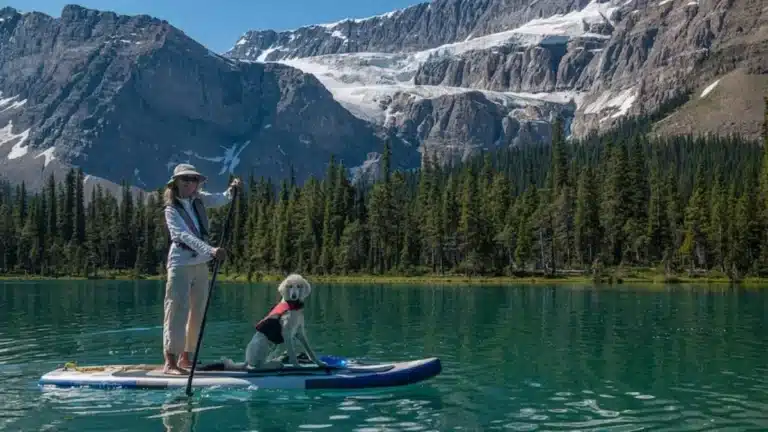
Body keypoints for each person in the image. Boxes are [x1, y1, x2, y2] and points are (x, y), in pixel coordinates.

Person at [162, 163, 241, 375]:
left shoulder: (199, 199)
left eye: (194, 179)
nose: (190, 183)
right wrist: (211, 250)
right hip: (180, 263)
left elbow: (220, 199)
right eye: (185, 179)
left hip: (201, 263)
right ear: (176, 183)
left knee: (198, 310)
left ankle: (186, 357)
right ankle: (170, 362)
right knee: (177, 309)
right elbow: (183, 235)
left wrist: (231, 191)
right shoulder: (171, 209)